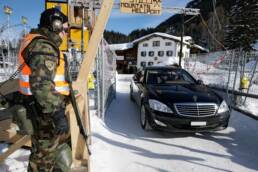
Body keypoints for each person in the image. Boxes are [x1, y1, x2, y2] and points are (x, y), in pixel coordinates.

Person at [18, 8, 72, 172]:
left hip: (39, 108)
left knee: (43, 153)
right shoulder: (44, 47)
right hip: (45, 113)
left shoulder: (36, 42)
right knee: (43, 158)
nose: (66, 33)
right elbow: (41, 85)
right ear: (55, 25)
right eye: (65, 28)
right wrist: (57, 112)